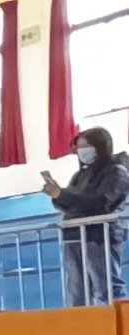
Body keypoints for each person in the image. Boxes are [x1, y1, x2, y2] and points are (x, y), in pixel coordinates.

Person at [44, 125, 129, 305]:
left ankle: (120, 320)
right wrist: (57, 195)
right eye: (79, 147)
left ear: (100, 147)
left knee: (107, 287)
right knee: (77, 291)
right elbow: (71, 204)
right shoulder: (80, 175)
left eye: (86, 146)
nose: (81, 151)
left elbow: (101, 203)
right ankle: (82, 322)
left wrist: (63, 194)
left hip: (99, 236)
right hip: (75, 236)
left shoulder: (116, 171)